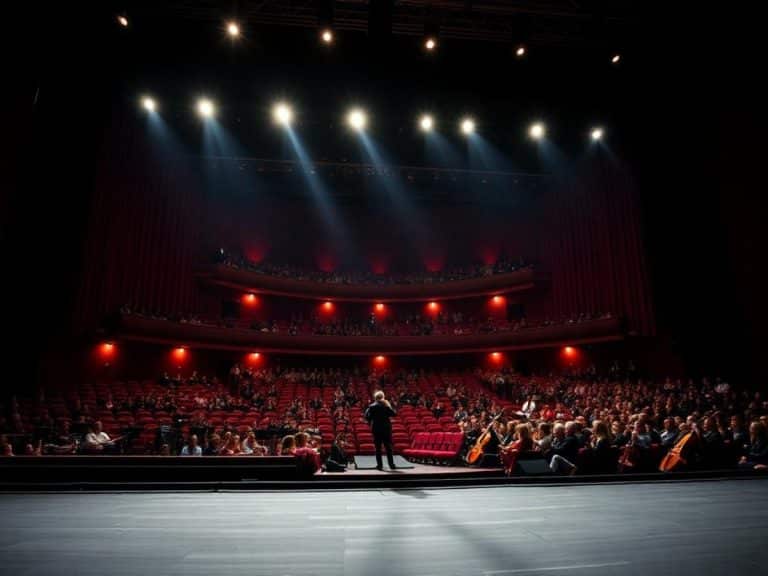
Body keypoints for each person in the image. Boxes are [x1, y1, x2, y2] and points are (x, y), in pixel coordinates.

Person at [364, 390, 396, 470]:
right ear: (383, 397)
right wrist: (389, 405)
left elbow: (367, 417)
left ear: (375, 398)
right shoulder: (385, 405)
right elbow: (394, 414)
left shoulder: (371, 406)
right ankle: (391, 464)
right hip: (386, 429)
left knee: (378, 448)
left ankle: (379, 465)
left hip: (376, 429)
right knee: (388, 447)